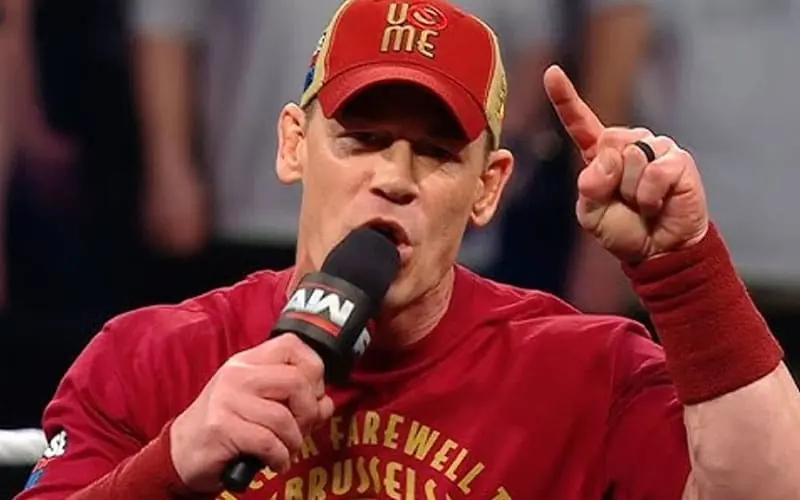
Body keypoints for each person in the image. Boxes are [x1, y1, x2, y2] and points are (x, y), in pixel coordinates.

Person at [16, 0, 800, 498]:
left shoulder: (587, 372)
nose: (394, 178)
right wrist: (169, 467)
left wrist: (687, 268)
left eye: (435, 153)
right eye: (360, 140)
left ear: (488, 188)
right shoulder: (152, 358)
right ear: (293, 146)